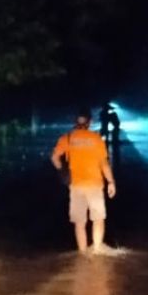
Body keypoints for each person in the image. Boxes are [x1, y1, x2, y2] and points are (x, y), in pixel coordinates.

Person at [51, 109, 117, 254]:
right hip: (95, 185)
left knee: (79, 222)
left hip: (76, 186)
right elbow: (104, 163)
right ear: (90, 122)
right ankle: (98, 249)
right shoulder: (96, 139)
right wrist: (111, 182)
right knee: (98, 218)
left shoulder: (67, 138)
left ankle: (82, 253)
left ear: (75, 122)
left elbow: (54, 158)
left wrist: (62, 171)